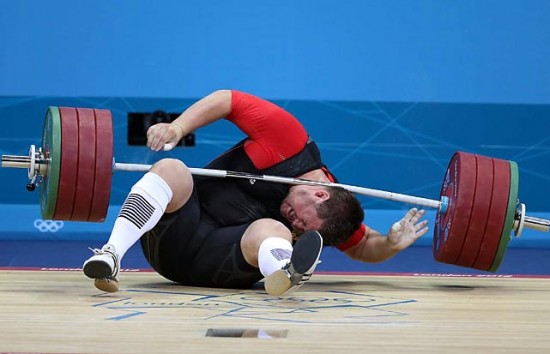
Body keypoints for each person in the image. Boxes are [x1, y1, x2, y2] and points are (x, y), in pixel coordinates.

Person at [82, 90, 429, 295]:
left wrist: (391, 244)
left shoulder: (336, 216)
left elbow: (365, 245)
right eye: (299, 217)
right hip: (171, 240)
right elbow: (227, 100)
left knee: (274, 230)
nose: (295, 223)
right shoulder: (287, 141)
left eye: (301, 230)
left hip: (226, 265)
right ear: (321, 193)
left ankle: (283, 271)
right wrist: (178, 126)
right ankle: (111, 255)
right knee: (173, 169)